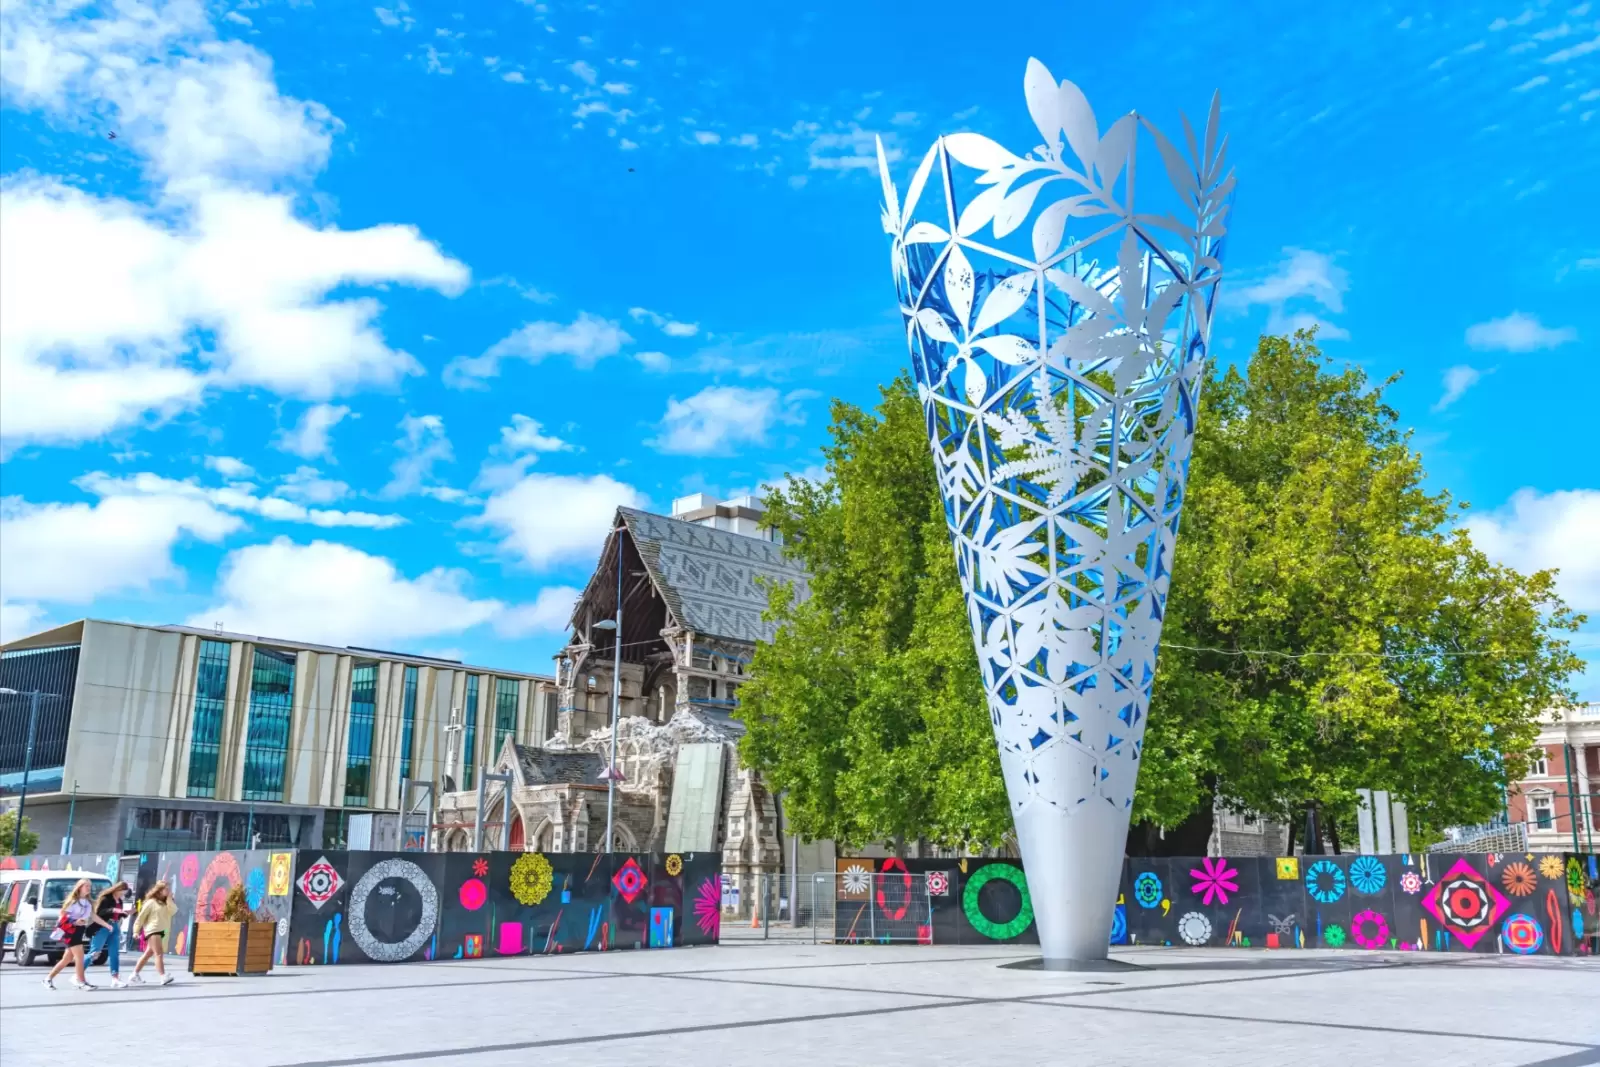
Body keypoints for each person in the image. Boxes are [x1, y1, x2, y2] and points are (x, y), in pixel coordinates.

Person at [43, 879, 98, 991]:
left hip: (79, 931)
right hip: (71, 931)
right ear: (79, 887)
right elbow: (62, 916)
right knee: (80, 957)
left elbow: (91, 917)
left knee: (67, 959)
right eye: (86, 886)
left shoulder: (87, 902)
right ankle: (81, 981)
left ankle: (48, 978)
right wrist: (74, 921)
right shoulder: (73, 901)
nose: (88, 888)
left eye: (89, 886)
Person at [129, 881, 177, 986]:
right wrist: (136, 931)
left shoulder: (166, 902)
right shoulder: (151, 902)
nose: (169, 891)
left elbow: (173, 911)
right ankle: (163, 976)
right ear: (159, 890)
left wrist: (169, 899)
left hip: (162, 931)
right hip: (153, 930)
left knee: (148, 954)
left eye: (169, 889)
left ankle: (134, 974)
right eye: (166, 889)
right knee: (158, 953)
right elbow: (141, 917)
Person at [87, 880, 131, 989]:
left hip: (115, 926)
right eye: (122, 892)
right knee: (95, 952)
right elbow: (100, 913)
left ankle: (115, 978)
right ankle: (79, 974)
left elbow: (118, 915)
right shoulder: (106, 898)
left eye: (124, 893)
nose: (123, 894)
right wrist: (114, 909)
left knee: (114, 953)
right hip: (103, 926)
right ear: (117, 889)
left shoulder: (119, 901)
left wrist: (126, 913)